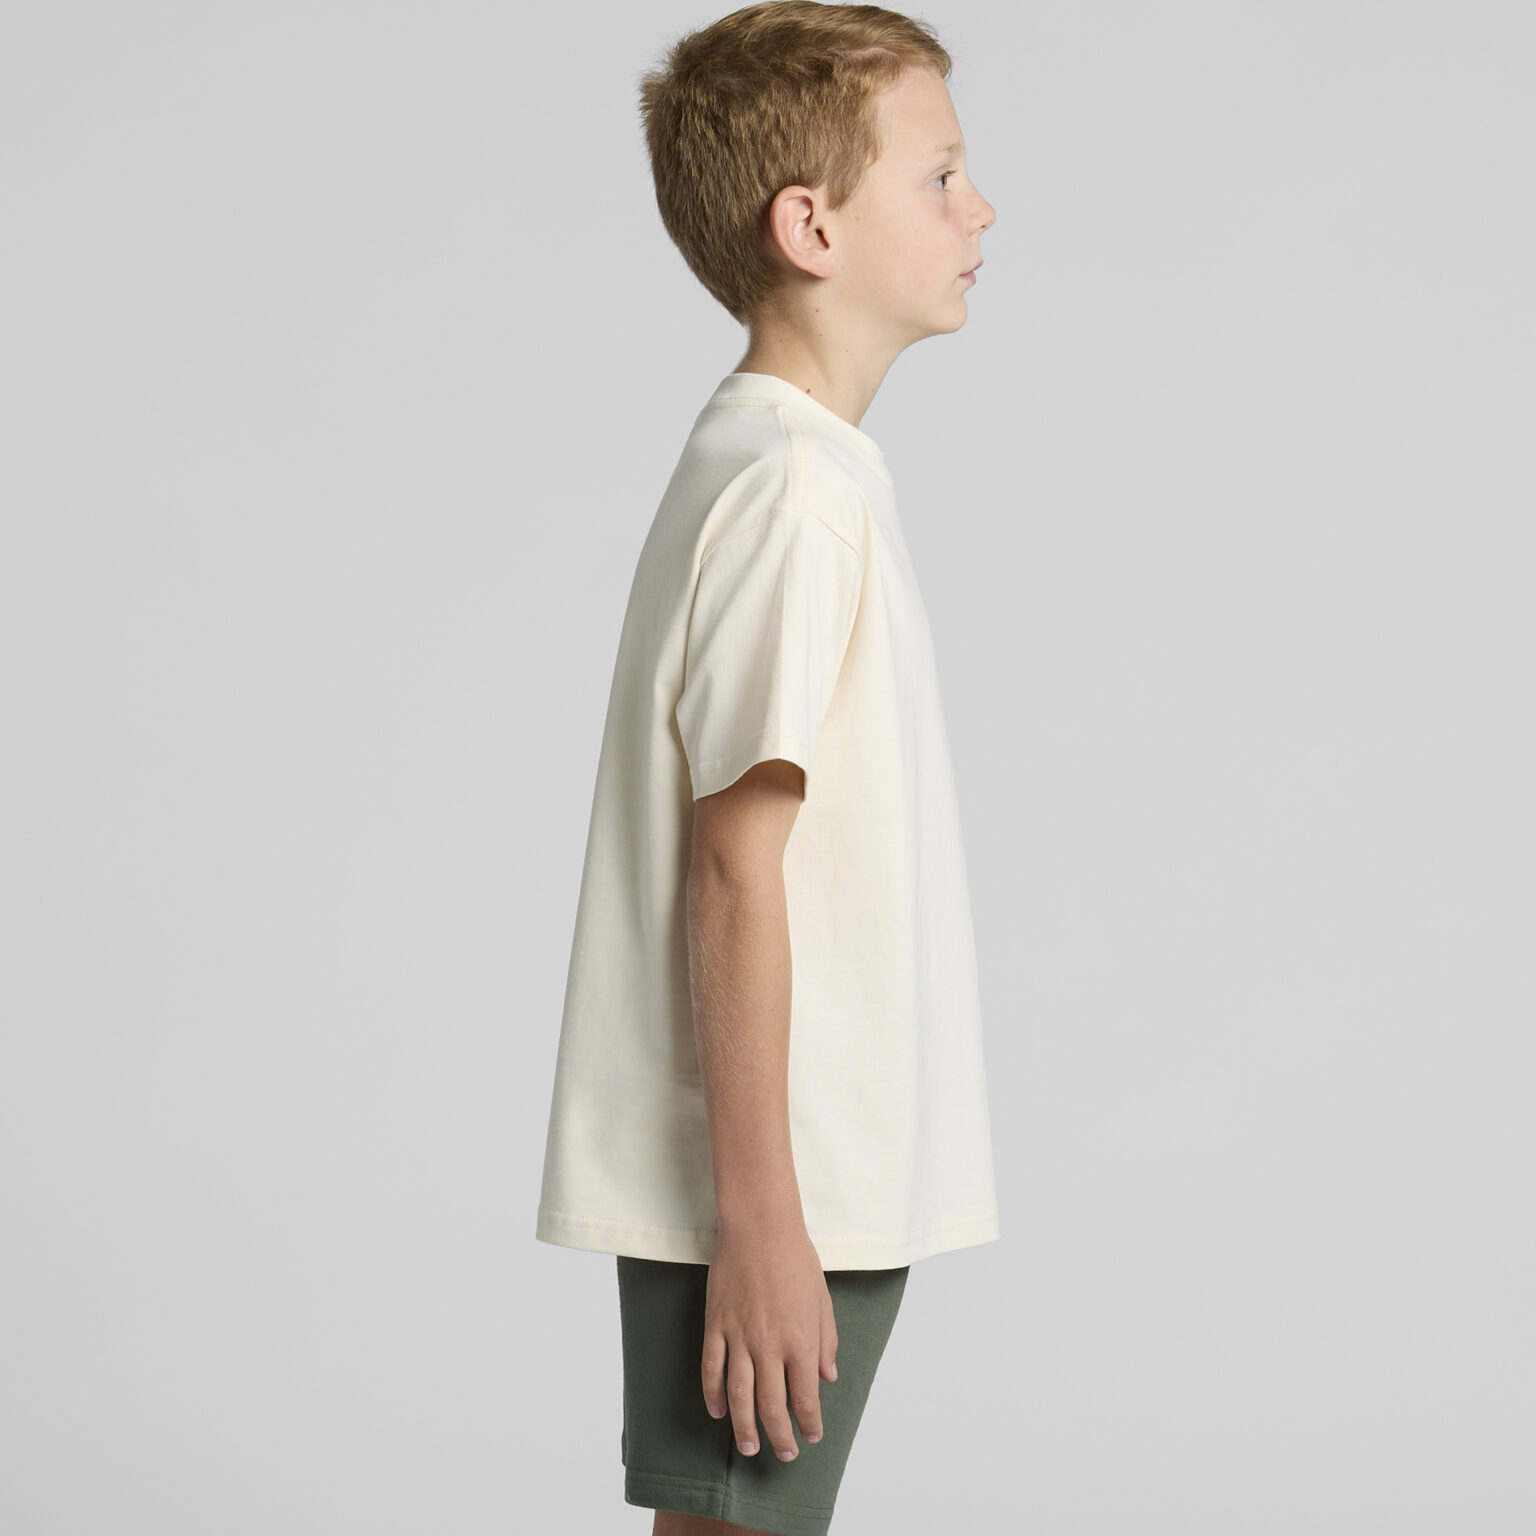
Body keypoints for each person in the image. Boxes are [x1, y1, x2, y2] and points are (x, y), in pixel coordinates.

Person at [534, 4, 1000, 1531]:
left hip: (792, 1181)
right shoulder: (795, 493)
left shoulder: (791, 469)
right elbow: (735, 863)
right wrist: (762, 1225)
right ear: (811, 227)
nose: (981, 210)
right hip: (779, 1187)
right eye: (941, 176)